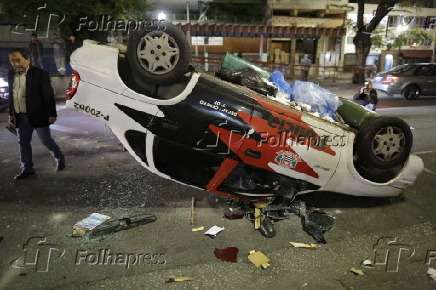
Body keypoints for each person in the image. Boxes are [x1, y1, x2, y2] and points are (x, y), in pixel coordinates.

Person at [8, 48, 65, 180]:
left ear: (28, 59)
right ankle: (27, 169)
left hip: (39, 114)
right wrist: (11, 113)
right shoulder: (11, 74)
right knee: (23, 143)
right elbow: (12, 96)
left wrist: (52, 114)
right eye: (12, 61)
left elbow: (48, 96)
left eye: (18, 60)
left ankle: (60, 158)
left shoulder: (40, 74)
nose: (16, 64)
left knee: (46, 141)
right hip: (20, 116)